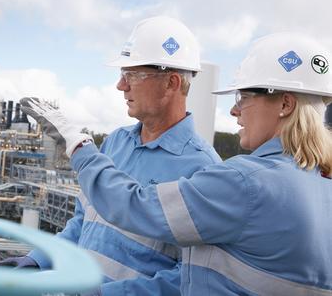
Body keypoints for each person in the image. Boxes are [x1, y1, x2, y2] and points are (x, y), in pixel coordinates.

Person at [23, 32, 332, 295]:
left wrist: (78, 145)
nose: (235, 111)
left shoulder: (233, 178)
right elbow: (83, 220)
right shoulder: (320, 183)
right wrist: (39, 259)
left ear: (286, 104)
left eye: (243, 97)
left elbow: (137, 209)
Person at [1, 16, 221, 296]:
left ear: (171, 83)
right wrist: (38, 260)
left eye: (132, 75)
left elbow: (190, 277)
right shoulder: (116, 142)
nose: (121, 85)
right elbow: (83, 223)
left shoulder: (203, 169)